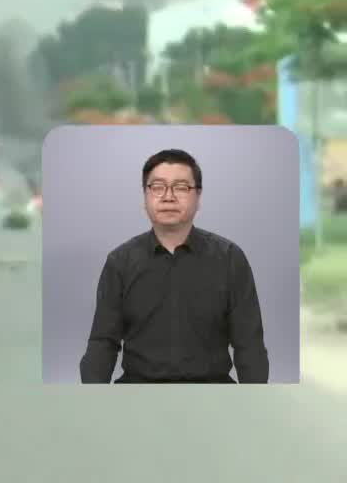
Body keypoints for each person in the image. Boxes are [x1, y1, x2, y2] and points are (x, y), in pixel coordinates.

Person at [79, 148, 268, 384]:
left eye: (181, 187)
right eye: (157, 187)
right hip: (138, 394)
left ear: (198, 197)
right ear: (145, 196)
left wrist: (257, 406)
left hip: (213, 394)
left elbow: (249, 344)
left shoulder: (230, 258)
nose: (168, 197)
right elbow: (103, 343)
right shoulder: (120, 261)